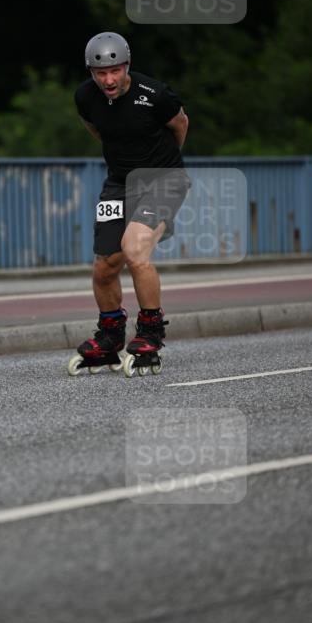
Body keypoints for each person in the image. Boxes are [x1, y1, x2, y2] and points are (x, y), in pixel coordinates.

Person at [68, 31, 191, 377]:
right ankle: (110, 337)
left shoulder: (155, 94)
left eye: (115, 71)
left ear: (127, 67)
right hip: (119, 183)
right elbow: (97, 129)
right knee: (104, 266)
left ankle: (150, 333)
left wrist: (164, 162)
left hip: (163, 178)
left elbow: (180, 125)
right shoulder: (84, 97)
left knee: (135, 250)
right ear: (91, 72)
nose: (108, 80)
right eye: (100, 73)